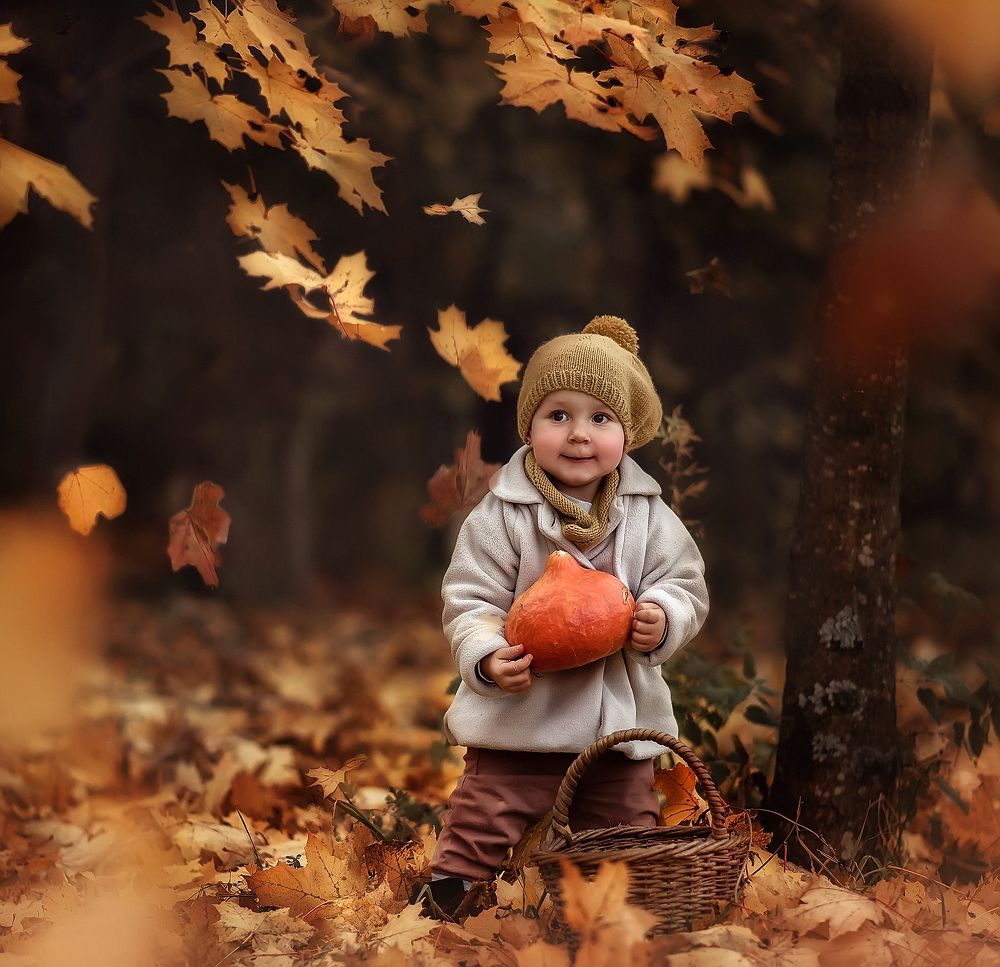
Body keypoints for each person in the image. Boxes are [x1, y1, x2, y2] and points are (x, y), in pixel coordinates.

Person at [419, 315, 709, 917]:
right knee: (484, 814)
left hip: (614, 729)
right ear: (529, 426)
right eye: (558, 415)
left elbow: (684, 581)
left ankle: (613, 917)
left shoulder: (647, 515)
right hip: (519, 721)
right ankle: (448, 903)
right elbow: (470, 597)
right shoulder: (502, 513)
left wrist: (663, 616)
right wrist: (486, 656)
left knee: (624, 829)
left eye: (600, 419)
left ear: (627, 434)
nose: (579, 434)